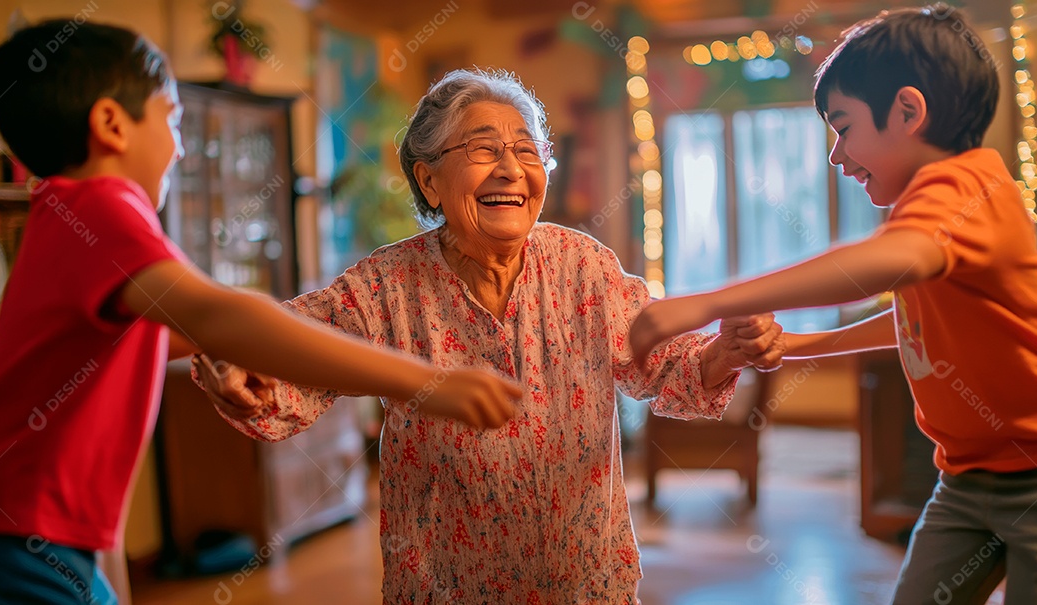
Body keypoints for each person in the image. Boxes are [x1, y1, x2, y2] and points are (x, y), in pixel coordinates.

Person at [0, 21, 522, 605]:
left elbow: (178, 336)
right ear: (112, 124)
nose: (181, 147)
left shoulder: (60, 216)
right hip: (15, 542)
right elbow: (217, 313)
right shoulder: (100, 207)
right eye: (173, 120)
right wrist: (424, 381)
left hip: (30, 537)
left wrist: (229, 349)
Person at [193, 68, 786, 604]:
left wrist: (721, 352)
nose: (511, 169)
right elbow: (290, 349)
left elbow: (663, 366)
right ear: (429, 182)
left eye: (527, 150)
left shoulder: (585, 266)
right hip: (444, 587)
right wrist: (241, 366)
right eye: (483, 150)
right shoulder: (385, 286)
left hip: (587, 584)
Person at [630, 5, 1037, 604]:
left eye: (844, 127)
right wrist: (801, 347)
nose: (835, 155)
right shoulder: (931, 206)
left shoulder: (968, 186)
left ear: (908, 111)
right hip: (964, 478)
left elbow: (884, 263)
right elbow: (915, 323)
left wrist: (706, 303)